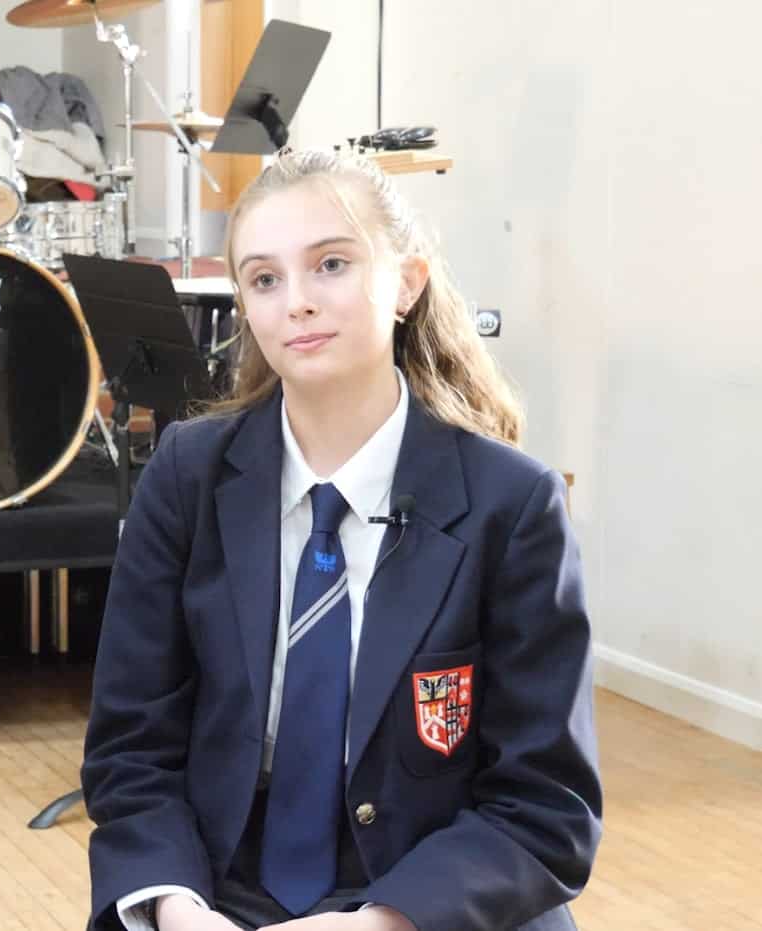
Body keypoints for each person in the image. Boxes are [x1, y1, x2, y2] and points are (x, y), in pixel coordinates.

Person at [81, 149, 601, 931]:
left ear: (409, 283)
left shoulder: (513, 504)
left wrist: (378, 921)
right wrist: (176, 905)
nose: (297, 302)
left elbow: (545, 806)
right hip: (221, 883)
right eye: (264, 278)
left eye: (330, 264)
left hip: (435, 891)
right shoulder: (186, 478)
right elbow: (132, 751)